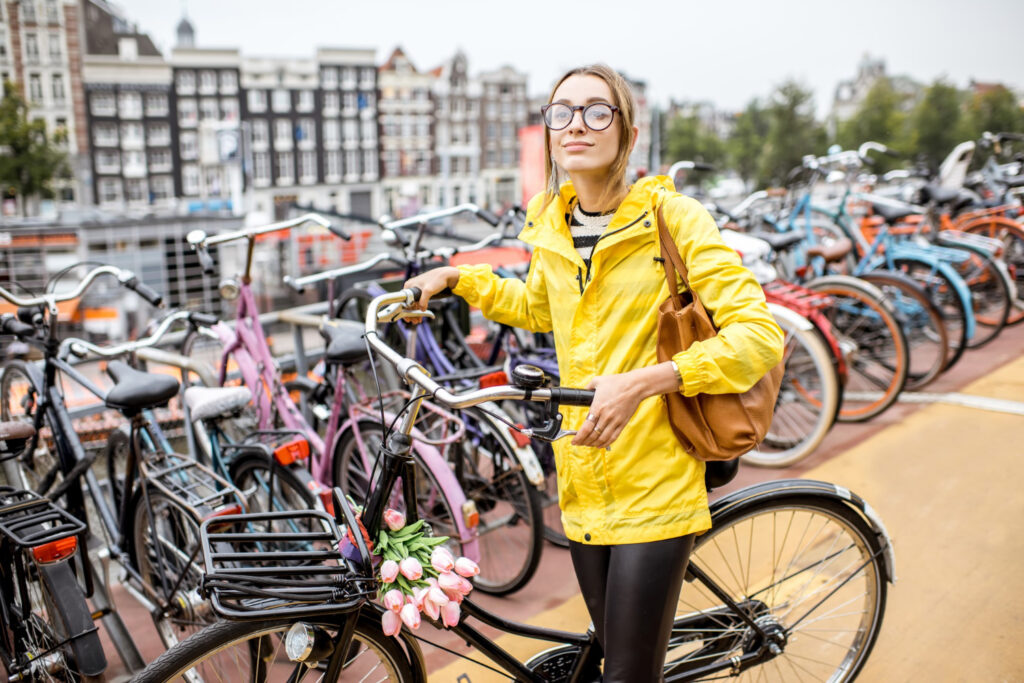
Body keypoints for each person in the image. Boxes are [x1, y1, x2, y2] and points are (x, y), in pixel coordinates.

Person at [405, 64, 784, 682]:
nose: (576, 124)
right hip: (581, 472)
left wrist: (646, 380)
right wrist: (456, 277)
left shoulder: (674, 218)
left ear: (627, 133)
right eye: (562, 112)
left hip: (656, 471)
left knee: (625, 677)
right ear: (550, 132)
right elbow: (537, 305)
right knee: (617, 654)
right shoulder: (553, 221)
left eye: (596, 111)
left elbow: (758, 337)